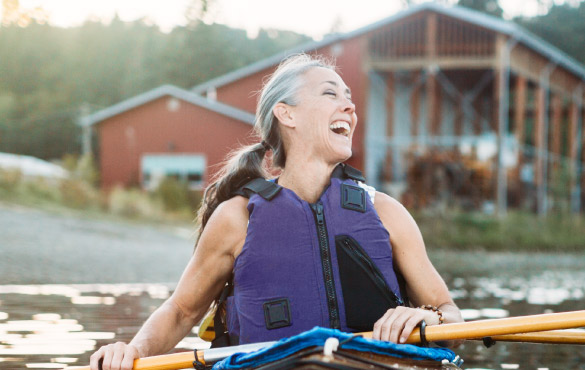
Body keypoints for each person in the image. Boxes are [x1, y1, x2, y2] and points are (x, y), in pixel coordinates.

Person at [90, 54, 463, 370]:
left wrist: (429, 317)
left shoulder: (386, 212)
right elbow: (181, 312)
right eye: (330, 94)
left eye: (349, 98)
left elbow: (451, 316)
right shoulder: (237, 218)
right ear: (286, 114)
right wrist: (133, 351)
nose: (350, 106)